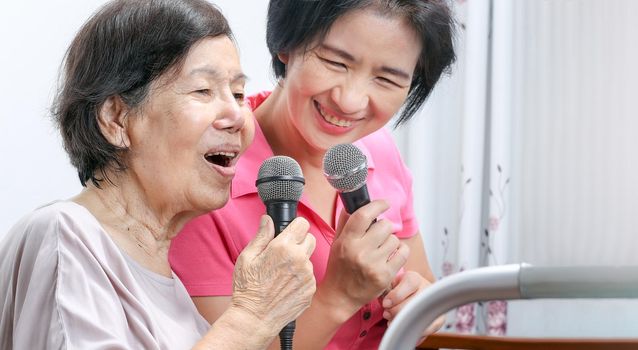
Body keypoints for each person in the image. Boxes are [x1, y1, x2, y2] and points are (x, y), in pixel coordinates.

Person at [0, 0, 318, 349]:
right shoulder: (64, 236)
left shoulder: (174, 291)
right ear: (117, 119)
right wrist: (252, 318)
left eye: (239, 93)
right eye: (203, 91)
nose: (239, 117)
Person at [170, 0, 456, 348]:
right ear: (286, 45)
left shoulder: (379, 148)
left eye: (386, 79)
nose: (350, 101)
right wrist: (338, 296)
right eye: (335, 62)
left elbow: (423, 282)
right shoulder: (208, 175)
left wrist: (420, 302)